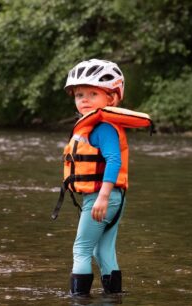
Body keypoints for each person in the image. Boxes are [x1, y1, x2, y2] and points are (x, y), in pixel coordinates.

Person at [52, 59, 153, 296]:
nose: (84, 100)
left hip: (103, 196)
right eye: (79, 95)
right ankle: (114, 297)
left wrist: (103, 197)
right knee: (103, 250)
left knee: (82, 249)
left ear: (112, 98)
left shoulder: (104, 128)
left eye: (92, 93)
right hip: (111, 197)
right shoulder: (94, 126)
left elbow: (114, 160)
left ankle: (79, 300)